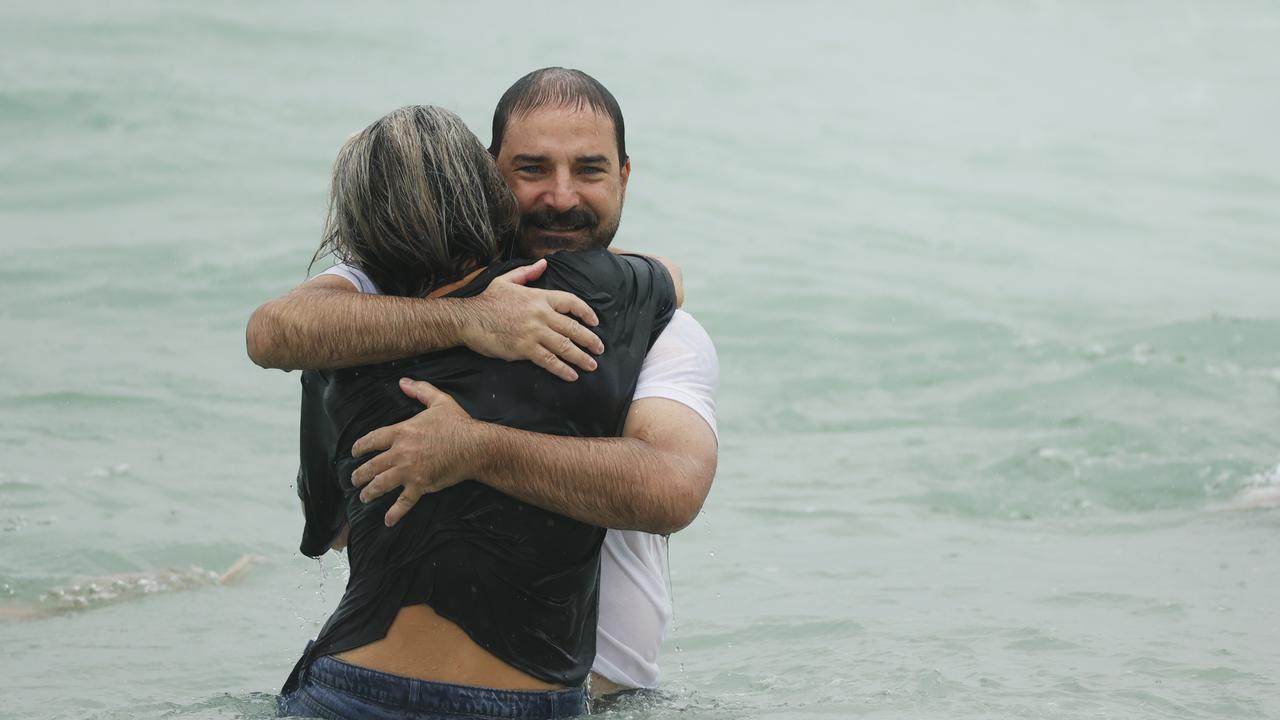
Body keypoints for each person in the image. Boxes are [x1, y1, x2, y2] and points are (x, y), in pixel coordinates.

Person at [248, 68, 720, 696]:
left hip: (602, 696)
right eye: (531, 170)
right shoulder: (393, 291)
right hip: (511, 691)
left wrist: (474, 448)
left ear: (624, 176)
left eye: (589, 170)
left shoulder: (664, 328)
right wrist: (469, 320)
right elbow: (275, 331)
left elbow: (671, 492)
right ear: (489, 174)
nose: (560, 197)